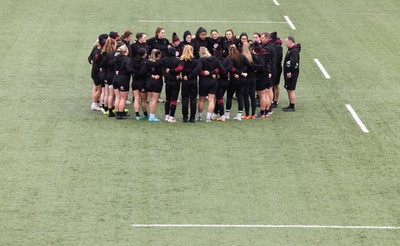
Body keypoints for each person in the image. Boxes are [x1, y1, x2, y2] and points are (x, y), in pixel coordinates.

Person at [195, 47, 225, 122]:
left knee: (201, 100)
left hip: (203, 82)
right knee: (211, 100)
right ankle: (208, 118)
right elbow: (222, 69)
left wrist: (204, 73)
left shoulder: (202, 60)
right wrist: (213, 72)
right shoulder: (215, 59)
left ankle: (199, 116)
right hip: (213, 82)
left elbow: (198, 70)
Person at [225, 45, 251, 121]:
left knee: (229, 96)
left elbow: (230, 68)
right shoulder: (242, 56)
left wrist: (238, 73)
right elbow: (248, 65)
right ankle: (239, 115)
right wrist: (242, 72)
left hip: (233, 80)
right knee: (240, 97)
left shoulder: (230, 58)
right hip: (242, 80)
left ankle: (227, 114)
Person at [177, 45, 198, 123]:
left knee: (185, 99)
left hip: (185, 82)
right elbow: (197, 71)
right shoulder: (195, 61)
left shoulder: (182, 60)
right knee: (193, 100)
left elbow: (180, 69)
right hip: (193, 81)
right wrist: (190, 76)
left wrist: (186, 76)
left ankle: (185, 117)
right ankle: (192, 118)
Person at [211, 45, 231, 122]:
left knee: (219, 99)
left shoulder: (215, 60)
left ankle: (222, 116)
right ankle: (215, 114)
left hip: (218, 82)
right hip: (226, 82)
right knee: (220, 98)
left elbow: (216, 70)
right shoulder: (226, 60)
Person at [113, 44, 134, 119]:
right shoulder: (127, 59)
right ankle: (120, 113)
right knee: (123, 98)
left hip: (115, 78)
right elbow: (129, 69)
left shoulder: (115, 58)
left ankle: (117, 111)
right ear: (126, 51)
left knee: (117, 97)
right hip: (123, 79)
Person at [88, 34, 108, 111]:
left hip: (94, 71)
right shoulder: (100, 52)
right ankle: (94, 103)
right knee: (99, 89)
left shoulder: (95, 49)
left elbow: (90, 58)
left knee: (97, 88)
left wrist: (91, 61)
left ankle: (96, 103)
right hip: (97, 72)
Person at [283, 36, 301, 112]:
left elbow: (293, 62)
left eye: (286, 42)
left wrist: (290, 72)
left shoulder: (293, 51)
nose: (285, 44)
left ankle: (292, 106)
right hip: (290, 73)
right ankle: (290, 105)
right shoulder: (291, 50)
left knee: (291, 90)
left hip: (292, 73)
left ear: (291, 42)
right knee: (289, 89)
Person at [261, 32, 276, 115]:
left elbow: (265, 60)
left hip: (269, 70)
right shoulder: (271, 45)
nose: (261, 40)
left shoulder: (268, 48)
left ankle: (268, 108)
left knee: (268, 90)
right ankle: (269, 107)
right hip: (272, 69)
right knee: (269, 89)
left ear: (267, 38)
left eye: (262, 38)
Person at [146, 49, 163, 122]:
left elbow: (145, 72)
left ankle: (151, 114)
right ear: (158, 55)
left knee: (151, 99)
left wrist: (151, 76)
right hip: (157, 82)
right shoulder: (159, 63)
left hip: (149, 81)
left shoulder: (147, 62)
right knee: (155, 100)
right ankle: (152, 115)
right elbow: (162, 72)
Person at [132, 48, 149, 120]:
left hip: (134, 81)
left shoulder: (134, 60)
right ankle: (146, 114)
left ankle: (137, 115)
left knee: (136, 98)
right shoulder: (146, 62)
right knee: (143, 100)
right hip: (142, 82)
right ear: (144, 54)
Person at [241, 42, 257, 119]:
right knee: (253, 96)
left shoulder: (243, 57)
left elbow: (244, 68)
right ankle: (253, 114)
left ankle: (247, 114)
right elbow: (257, 65)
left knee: (246, 96)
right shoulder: (253, 55)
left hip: (246, 78)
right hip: (253, 78)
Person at [270, 32, 283, 108]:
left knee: (275, 85)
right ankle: (272, 99)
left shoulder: (278, 47)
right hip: (273, 68)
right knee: (272, 84)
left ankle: (275, 101)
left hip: (276, 69)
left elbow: (278, 59)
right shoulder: (275, 46)